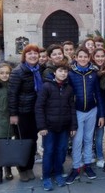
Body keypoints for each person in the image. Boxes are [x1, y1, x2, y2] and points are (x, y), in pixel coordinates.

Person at [66, 47, 105, 185]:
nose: (83, 59)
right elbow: (68, 97)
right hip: (77, 111)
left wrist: (101, 115)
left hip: (92, 110)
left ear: (89, 58)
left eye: (85, 57)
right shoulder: (70, 74)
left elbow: (98, 95)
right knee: (77, 140)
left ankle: (87, 164)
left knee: (89, 139)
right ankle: (76, 167)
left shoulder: (93, 73)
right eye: (80, 56)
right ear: (75, 58)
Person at [35, 62, 77, 191]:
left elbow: (72, 108)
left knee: (61, 150)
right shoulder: (47, 86)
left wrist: (73, 126)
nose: (63, 73)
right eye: (60, 71)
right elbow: (39, 107)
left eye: (65, 71)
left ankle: (58, 173)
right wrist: (42, 126)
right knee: (49, 151)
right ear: (54, 73)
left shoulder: (68, 88)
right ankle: (47, 176)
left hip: (64, 127)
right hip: (49, 127)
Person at [8, 44, 42, 182]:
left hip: (34, 112)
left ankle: (29, 167)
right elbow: (12, 94)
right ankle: (22, 169)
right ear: (24, 56)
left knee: (33, 140)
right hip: (22, 113)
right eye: (30, 54)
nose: (33, 56)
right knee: (22, 141)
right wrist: (13, 114)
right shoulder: (18, 72)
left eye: (35, 53)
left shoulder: (38, 70)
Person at [92, 48, 105, 168]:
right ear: (93, 57)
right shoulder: (91, 70)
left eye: (102, 56)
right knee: (88, 136)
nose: (100, 58)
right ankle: (91, 155)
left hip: (103, 107)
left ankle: (100, 156)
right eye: (97, 56)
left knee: (99, 134)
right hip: (91, 107)